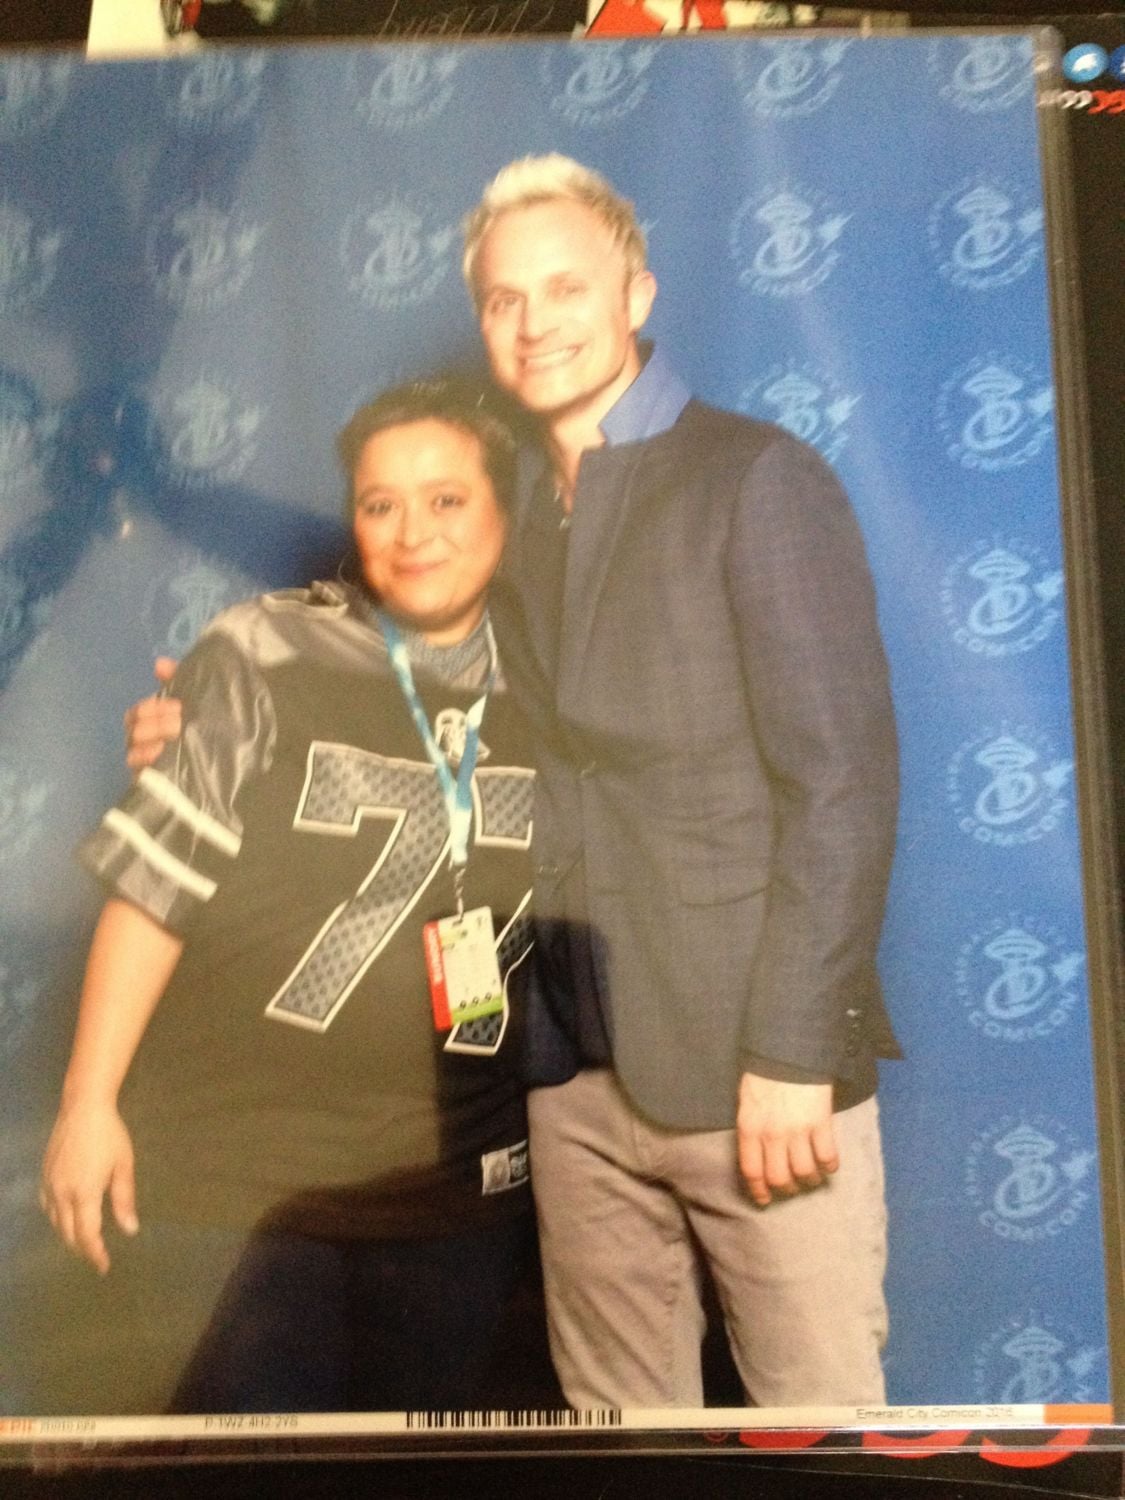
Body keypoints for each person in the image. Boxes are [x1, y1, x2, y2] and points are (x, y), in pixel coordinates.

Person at [127, 155, 902, 1411]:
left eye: (565, 288)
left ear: (636, 294)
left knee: (819, 1431)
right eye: (503, 298)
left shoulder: (754, 479)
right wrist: (212, 717)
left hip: (750, 1070)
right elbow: (413, 665)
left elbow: (844, 787)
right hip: (567, 1085)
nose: (534, 322)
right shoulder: (516, 510)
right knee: (612, 1440)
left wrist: (794, 1053)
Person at [37, 379, 542, 1415]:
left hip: (453, 1193)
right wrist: (87, 1103)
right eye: (380, 504)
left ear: (505, 508)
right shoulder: (263, 648)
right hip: (240, 1182)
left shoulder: (554, 681)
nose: (412, 533)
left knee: (423, 1478)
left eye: (446, 500)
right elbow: (155, 885)